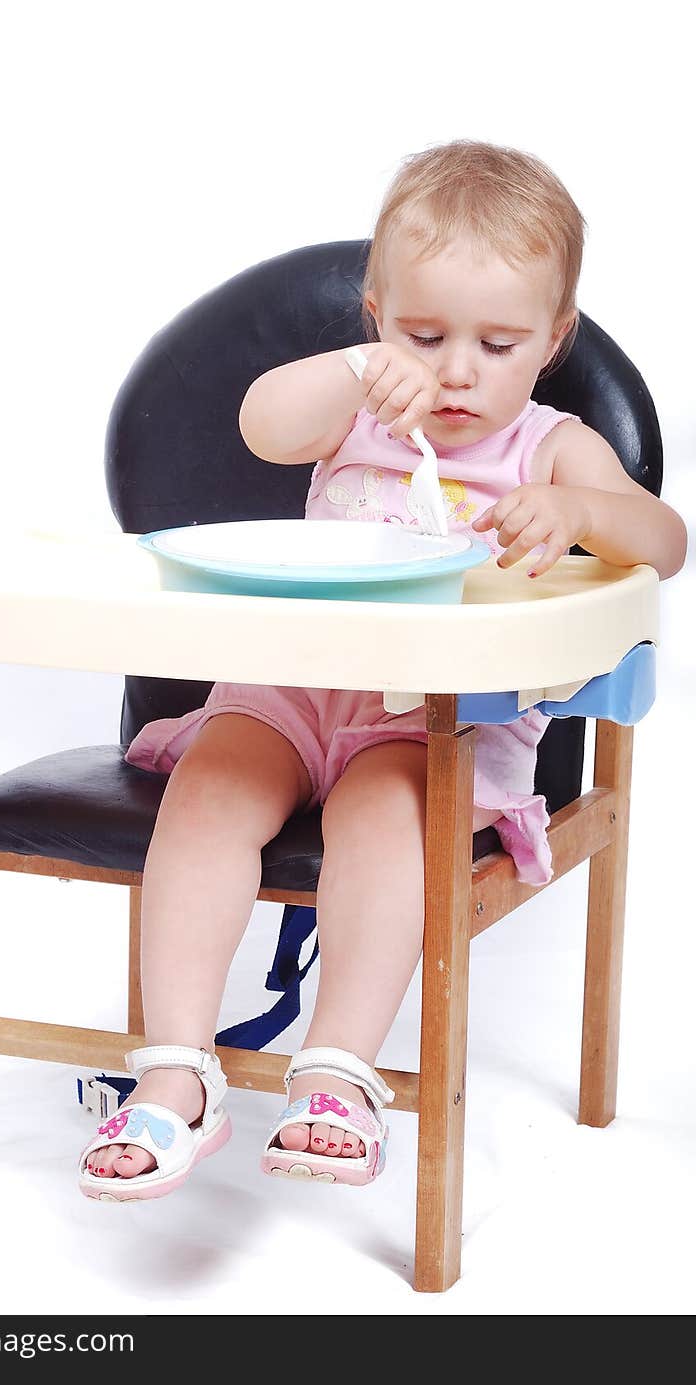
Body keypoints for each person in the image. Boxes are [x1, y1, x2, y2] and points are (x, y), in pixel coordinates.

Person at [78, 139, 687, 1201]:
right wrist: (356, 372)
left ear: (552, 339)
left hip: (428, 724)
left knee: (378, 819)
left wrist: (586, 514)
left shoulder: (549, 446)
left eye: (495, 342)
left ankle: (336, 1070)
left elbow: (664, 539)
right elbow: (262, 425)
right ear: (374, 315)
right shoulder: (356, 410)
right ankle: (174, 1064)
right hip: (285, 692)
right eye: (420, 333)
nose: (455, 370)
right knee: (210, 794)